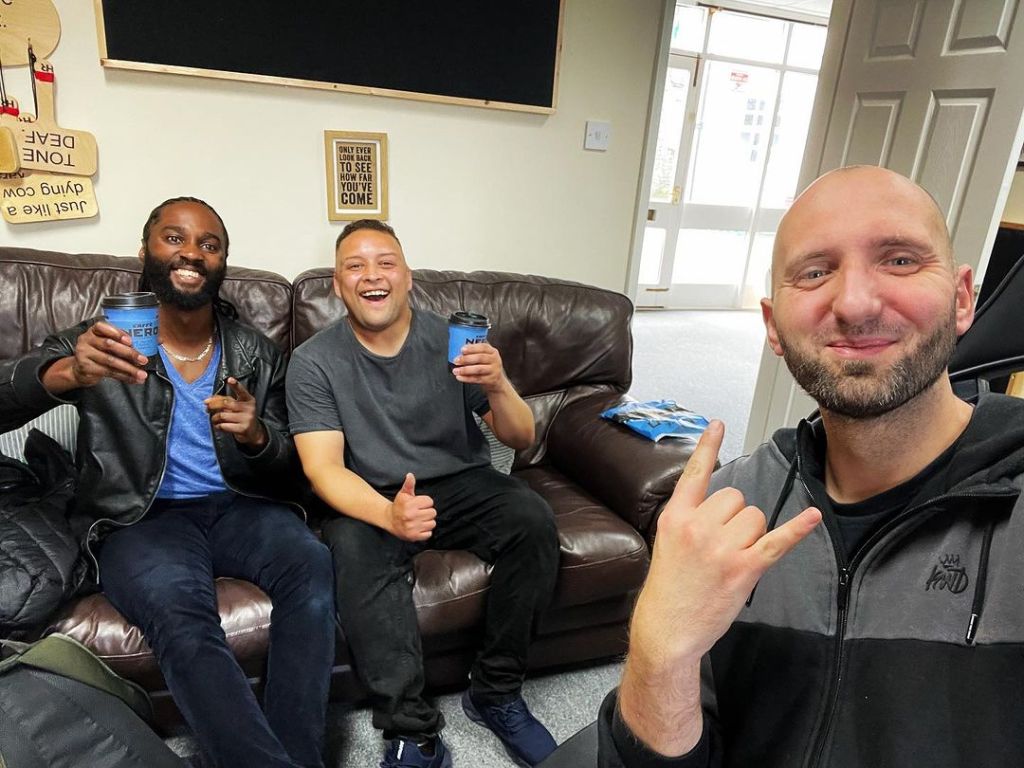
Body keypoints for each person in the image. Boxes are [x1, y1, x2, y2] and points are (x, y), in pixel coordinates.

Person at [598, 166, 1024, 768]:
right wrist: (658, 653)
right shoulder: (729, 508)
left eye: (900, 260)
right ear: (773, 326)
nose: (855, 303)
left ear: (961, 299)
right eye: (816, 272)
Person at [0, 197, 336, 768]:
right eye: (174, 238)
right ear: (145, 251)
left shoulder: (255, 353)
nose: (192, 253)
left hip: (239, 506)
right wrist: (66, 373)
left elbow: (292, 468)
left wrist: (258, 436)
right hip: (138, 517)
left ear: (223, 262)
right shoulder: (102, 341)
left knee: (312, 566)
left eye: (209, 244)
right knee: (181, 616)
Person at [286, 219, 560, 768]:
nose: (372, 276)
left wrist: (498, 383)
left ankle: (495, 692)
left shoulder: (454, 341)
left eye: (385, 263)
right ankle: (412, 731)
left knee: (531, 519)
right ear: (337, 286)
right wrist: (389, 515)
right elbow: (323, 470)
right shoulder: (313, 361)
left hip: (459, 481)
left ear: (408, 277)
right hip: (370, 493)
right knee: (353, 552)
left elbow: (520, 438)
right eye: (354, 266)